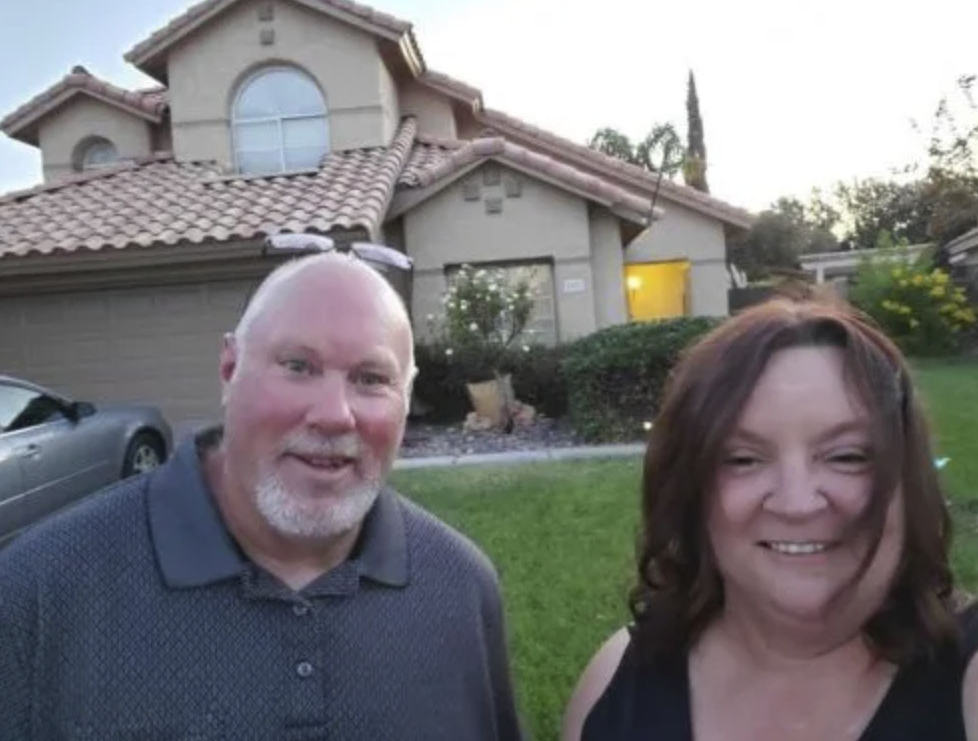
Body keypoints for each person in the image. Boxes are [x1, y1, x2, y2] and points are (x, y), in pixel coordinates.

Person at [0, 252, 523, 741]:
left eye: (371, 379)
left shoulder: (460, 588)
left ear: (406, 402)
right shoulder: (37, 595)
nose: (335, 414)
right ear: (229, 369)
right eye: (298, 366)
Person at [562, 297, 975, 741]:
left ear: (906, 482)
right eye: (742, 459)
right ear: (690, 491)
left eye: (847, 456)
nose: (796, 503)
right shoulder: (617, 684)